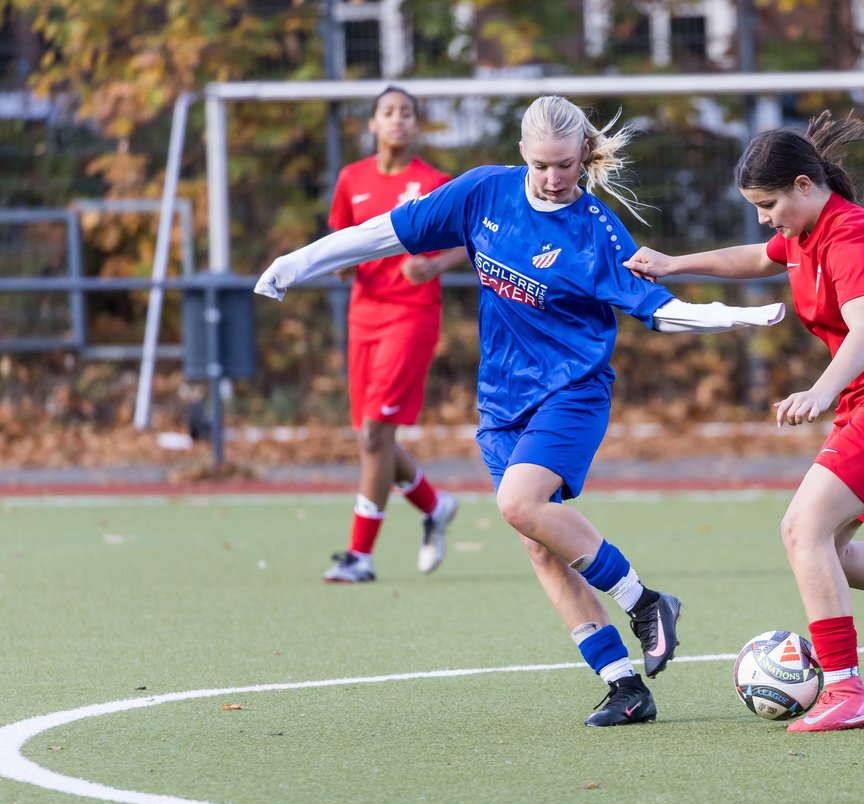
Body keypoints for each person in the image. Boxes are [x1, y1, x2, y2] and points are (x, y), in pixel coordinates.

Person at [255, 95, 784, 726]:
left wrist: (735, 317)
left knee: (519, 505)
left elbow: (657, 308)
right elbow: (385, 233)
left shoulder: (596, 229)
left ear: (584, 156)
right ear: (522, 157)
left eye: (566, 165)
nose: (555, 178)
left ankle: (645, 603)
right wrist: (299, 261)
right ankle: (623, 686)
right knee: (539, 544)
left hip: (573, 391)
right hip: (502, 401)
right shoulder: (483, 193)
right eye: (541, 166)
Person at [625, 112, 864, 733]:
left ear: (802, 185)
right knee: (828, 551)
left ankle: (848, 690)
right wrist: (673, 263)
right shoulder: (805, 228)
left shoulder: (848, 238)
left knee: (802, 532)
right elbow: (756, 257)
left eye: (768, 204)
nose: (765, 219)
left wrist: (822, 391)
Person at [321, 86, 471, 584]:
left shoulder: (433, 182)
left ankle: (359, 556)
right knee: (372, 434)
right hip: (363, 315)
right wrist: (341, 265)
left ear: (415, 123)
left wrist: (434, 265)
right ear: (373, 123)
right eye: (388, 112)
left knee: (374, 435)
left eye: (406, 112)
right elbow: (341, 241)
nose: (397, 120)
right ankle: (435, 505)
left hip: (411, 316)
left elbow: (468, 242)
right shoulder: (352, 179)